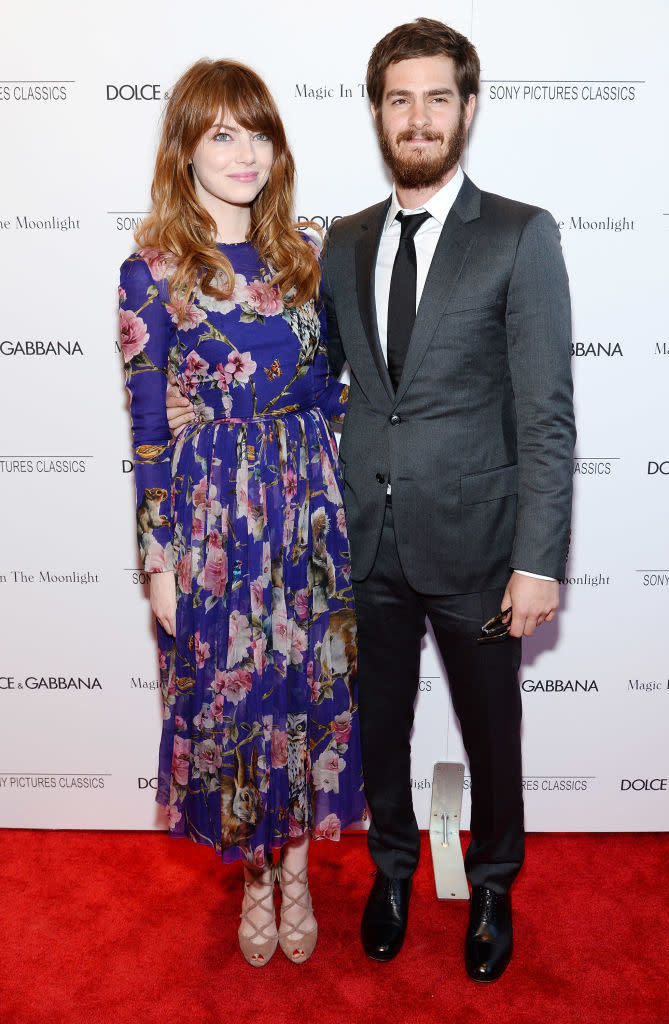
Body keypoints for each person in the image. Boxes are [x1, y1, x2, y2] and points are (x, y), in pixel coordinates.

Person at [167, 20, 576, 982]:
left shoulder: (522, 234)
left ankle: (492, 887)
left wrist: (539, 556)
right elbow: (316, 384)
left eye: (438, 97)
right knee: (374, 726)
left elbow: (547, 411)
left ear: (467, 109)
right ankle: (390, 874)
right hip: (354, 540)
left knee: (492, 732)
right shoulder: (339, 242)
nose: (419, 117)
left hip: (477, 542)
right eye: (400, 99)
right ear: (379, 113)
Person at [119, 58, 364, 968]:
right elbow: (147, 428)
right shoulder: (152, 269)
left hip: (306, 504)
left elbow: (333, 387)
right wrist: (158, 560)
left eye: (257, 132)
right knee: (235, 709)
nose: (245, 153)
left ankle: (298, 873)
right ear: (185, 148)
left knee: (308, 697)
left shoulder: (310, 253)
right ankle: (257, 880)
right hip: (214, 517)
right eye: (222, 133)